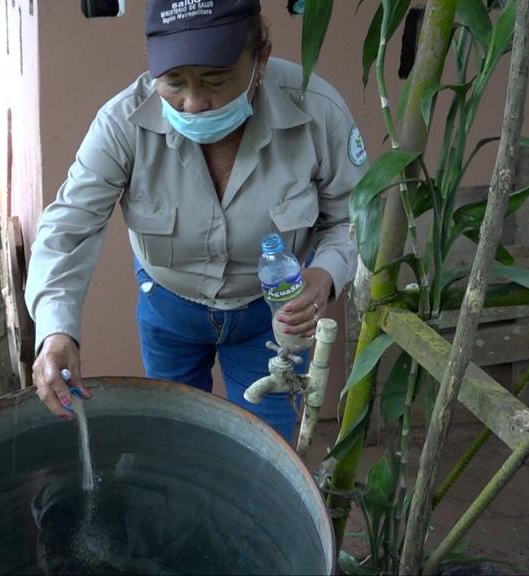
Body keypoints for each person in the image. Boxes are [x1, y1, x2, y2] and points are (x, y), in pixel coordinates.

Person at [25, 0, 367, 441]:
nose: (193, 104)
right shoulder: (122, 123)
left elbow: (354, 217)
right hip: (169, 311)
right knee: (174, 440)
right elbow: (69, 227)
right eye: (173, 82)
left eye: (215, 80)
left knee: (267, 448)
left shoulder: (316, 111)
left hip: (272, 318)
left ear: (260, 59)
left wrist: (326, 274)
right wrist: (56, 331)